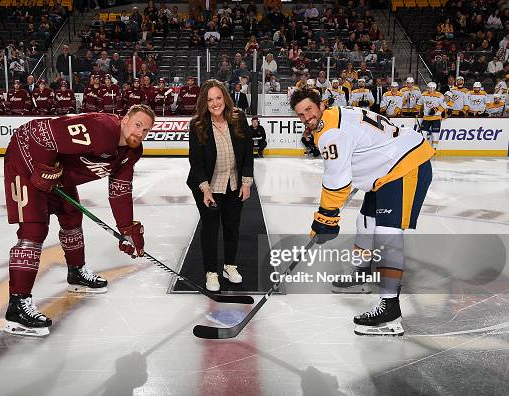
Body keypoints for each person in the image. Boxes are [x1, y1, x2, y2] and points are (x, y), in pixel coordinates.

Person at [289, 87, 434, 336]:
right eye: (300, 115)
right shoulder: (335, 115)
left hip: (404, 166)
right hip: (386, 169)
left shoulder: (330, 132)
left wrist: (324, 219)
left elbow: (336, 181)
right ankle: (361, 272)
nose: (306, 118)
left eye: (309, 110)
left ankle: (390, 310)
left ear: (321, 105)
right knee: (365, 222)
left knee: (387, 236)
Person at [3, 104, 155, 337]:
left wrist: (126, 229)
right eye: (137, 125)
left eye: (146, 130)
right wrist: (44, 166)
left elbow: (120, 190)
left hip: (55, 169)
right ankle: (17, 305)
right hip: (27, 156)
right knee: (34, 229)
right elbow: (44, 133)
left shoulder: (131, 153)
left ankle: (76, 272)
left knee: (72, 216)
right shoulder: (102, 128)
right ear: (125, 120)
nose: (140, 133)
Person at [186, 79, 253, 292]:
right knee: (211, 229)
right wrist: (205, 188)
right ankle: (211, 272)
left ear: (225, 97)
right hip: (209, 186)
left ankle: (229, 266)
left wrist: (246, 182)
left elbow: (248, 152)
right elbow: (195, 162)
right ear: (204, 103)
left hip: (234, 184)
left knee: (232, 226)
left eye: (218, 97)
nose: (215, 103)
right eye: (210, 100)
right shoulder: (197, 124)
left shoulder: (238, 117)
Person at [419, 82, 444, 150]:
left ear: (435, 88)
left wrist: (435, 110)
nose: (431, 89)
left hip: (436, 118)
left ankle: (434, 149)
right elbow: (419, 104)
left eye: (433, 88)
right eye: (430, 88)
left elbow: (444, 105)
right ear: (427, 88)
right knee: (423, 134)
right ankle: (424, 148)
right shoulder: (423, 95)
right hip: (426, 118)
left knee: (435, 134)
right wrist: (417, 110)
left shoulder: (440, 95)